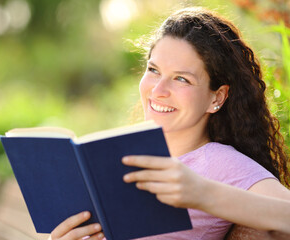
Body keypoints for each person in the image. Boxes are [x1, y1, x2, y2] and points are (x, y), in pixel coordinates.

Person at [49, 7, 290, 240]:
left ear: (216, 97)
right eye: (153, 70)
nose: (159, 90)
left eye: (181, 79)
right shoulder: (122, 155)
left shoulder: (218, 163)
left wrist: (201, 193)